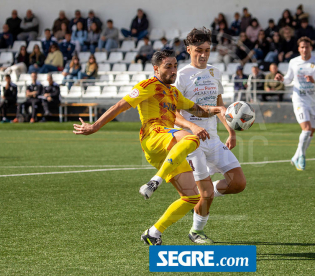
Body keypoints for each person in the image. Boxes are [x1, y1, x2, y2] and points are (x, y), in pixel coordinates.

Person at [73, 49, 225, 246]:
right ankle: (155, 182)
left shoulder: (173, 92)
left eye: (175, 66)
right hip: (153, 136)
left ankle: (153, 232)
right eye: (168, 66)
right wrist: (94, 126)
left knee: (192, 196)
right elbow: (120, 105)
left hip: (167, 149)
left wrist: (219, 109)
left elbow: (198, 110)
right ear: (156, 68)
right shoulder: (148, 86)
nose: (173, 70)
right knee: (191, 138)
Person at [174, 28, 246, 243]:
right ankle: (196, 231)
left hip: (213, 139)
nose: (203, 55)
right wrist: (192, 127)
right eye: (198, 50)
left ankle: (205, 195)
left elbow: (220, 106)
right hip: (191, 141)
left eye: (207, 50)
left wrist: (231, 132)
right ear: (189, 50)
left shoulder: (215, 72)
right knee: (204, 195)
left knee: (238, 183)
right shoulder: (181, 76)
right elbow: (172, 113)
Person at [275, 36, 315, 171]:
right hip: (299, 100)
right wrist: (281, 79)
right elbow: (288, 79)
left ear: (311, 48)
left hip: (314, 101)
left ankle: (295, 156)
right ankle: (302, 156)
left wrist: (314, 81)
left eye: (307, 47)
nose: (304, 49)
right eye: (302, 47)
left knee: (310, 133)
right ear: (299, 49)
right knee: (307, 128)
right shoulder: (294, 62)